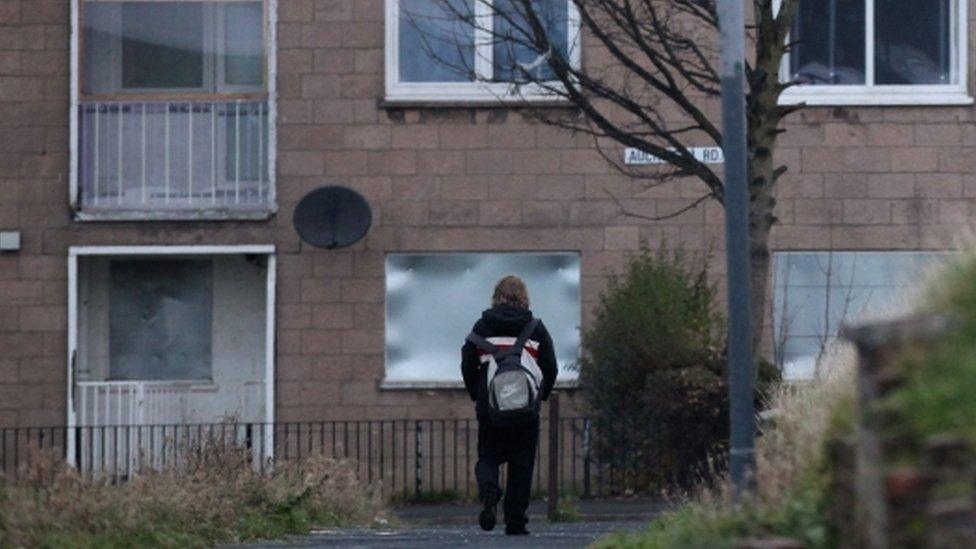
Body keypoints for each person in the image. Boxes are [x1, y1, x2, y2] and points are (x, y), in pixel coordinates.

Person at [461, 275, 558, 536]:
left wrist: (478, 395)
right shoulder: (535, 328)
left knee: (488, 457)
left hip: (490, 410)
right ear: (524, 297)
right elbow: (550, 366)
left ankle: (490, 493)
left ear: (496, 296)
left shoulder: (483, 326)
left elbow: (467, 364)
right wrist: (542, 396)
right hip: (526, 412)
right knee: (522, 464)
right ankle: (515, 522)